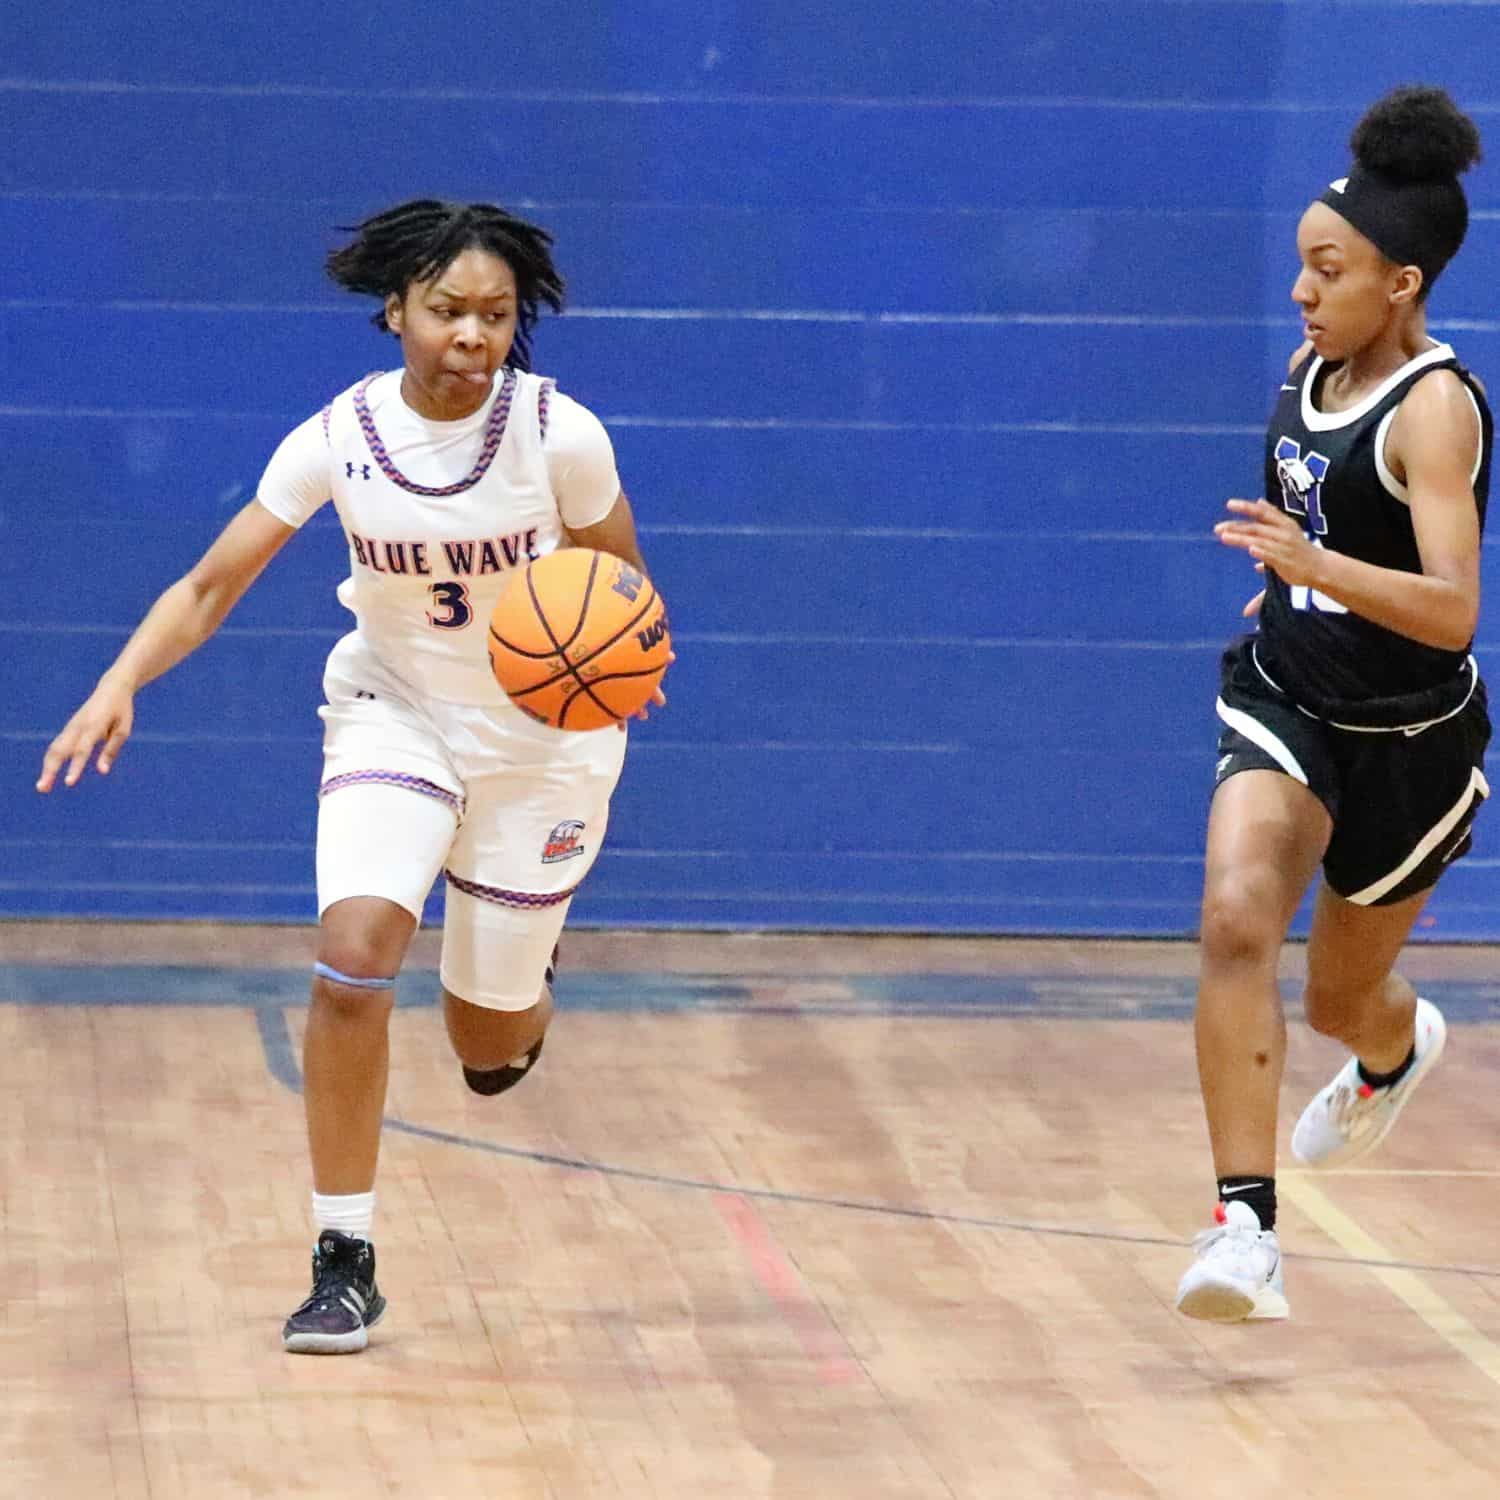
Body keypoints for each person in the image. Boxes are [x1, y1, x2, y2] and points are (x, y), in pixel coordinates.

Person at [36, 199, 670, 1353]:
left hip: (540, 745)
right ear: (395, 312)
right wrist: (118, 681)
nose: (473, 335)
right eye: (448, 311)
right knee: (353, 957)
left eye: (496, 313)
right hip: (398, 713)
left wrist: (625, 656)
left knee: (484, 1043)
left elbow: (619, 579)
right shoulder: (339, 437)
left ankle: (518, 989)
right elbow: (209, 585)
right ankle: (344, 1257)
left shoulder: (558, 435)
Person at [1175, 87, 1492, 1322]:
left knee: (1337, 999)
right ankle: (1243, 1230)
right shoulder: (1316, 368)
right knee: (1235, 919)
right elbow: (1317, 515)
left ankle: (1395, 1048)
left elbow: (1453, 607)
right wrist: (1287, 582)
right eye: (1302, 265)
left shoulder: (1434, 410)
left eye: (1328, 268)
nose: (1302, 291)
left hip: (1410, 739)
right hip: (1291, 700)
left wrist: (1319, 572)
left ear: (1400, 282)